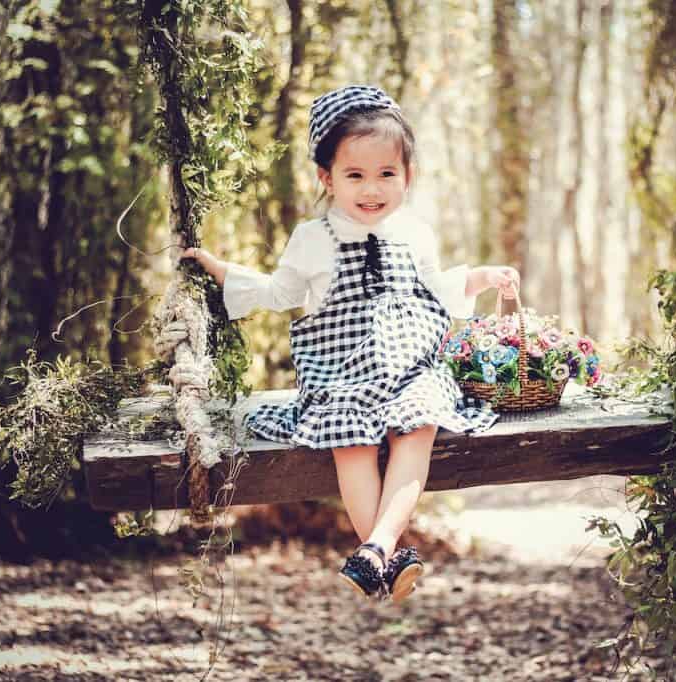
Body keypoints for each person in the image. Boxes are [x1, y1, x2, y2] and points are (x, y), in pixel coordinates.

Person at [182, 85, 520, 603]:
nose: (372, 189)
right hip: (341, 376)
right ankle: (388, 555)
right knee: (352, 441)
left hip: (412, 370)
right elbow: (278, 292)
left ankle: (376, 548)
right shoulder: (312, 238)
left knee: (420, 424)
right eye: (355, 175)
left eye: (387, 173)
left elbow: (437, 287)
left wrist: (481, 277)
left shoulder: (415, 232)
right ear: (327, 178)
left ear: (407, 175)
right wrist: (220, 270)